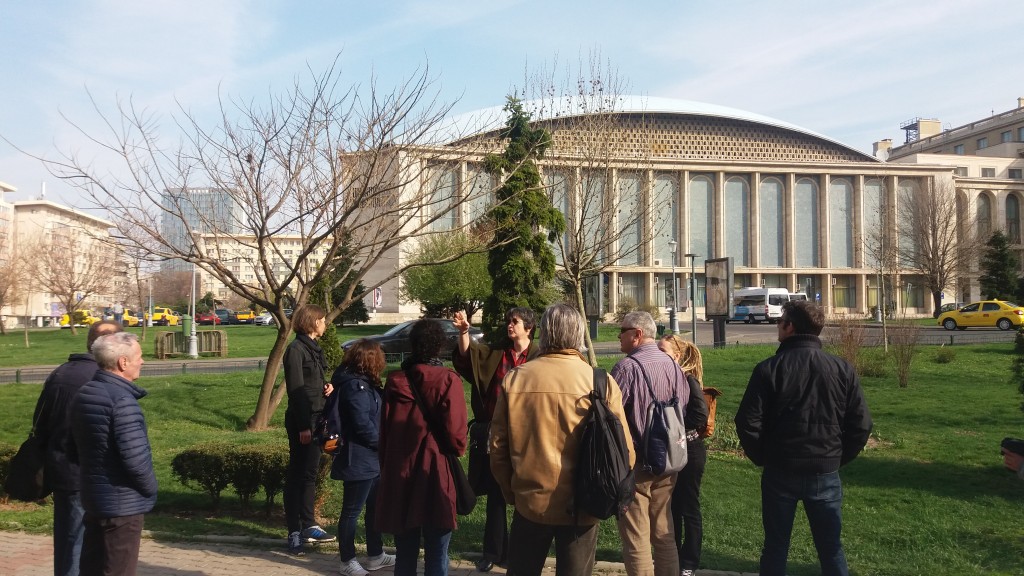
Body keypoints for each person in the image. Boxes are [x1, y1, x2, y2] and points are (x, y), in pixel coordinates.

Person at [490, 303, 635, 576]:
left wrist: (513, 493)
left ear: (545, 333)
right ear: (579, 334)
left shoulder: (517, 379)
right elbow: (625, 451)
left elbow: (497, 448)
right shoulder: (600, 382)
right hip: (584, 503)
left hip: (531, 502)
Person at [735, 300, 872, 576]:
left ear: (790, 327)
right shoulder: (841, 369)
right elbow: (861, 425)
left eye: (780, 320)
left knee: (776, 547)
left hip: (783, 470)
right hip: (822, 470)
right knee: (830, 547)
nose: (777, 324)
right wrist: (835, 457)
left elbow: (747, 423)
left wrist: (763, 457)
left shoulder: (769, 369)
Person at [376, 319, 468, 576]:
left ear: (412, 345)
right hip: (434, 470)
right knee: (438, 550)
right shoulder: (448, 380)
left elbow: (384, 430)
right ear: (438, 346)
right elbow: (457, 435)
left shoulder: (395, 381)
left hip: (400, 470)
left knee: (404, 551)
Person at [32, 320, 123, 576]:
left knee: (68, 542)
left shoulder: (62, 373)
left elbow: (41, 423)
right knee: (81, 546)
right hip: (86, 476)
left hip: (63, 471)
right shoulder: (100, 380)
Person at [451, 307, 537, 572]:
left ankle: (523, 554)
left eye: (515, 322)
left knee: (528, 495)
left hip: (530, 436)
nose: (510, 325)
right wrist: (465, 331)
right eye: (508, 321)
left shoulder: (539, 356)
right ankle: (494, 551)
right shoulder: (499, 354)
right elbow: (468, 359)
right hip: (496, 435)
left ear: (528, 328)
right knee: (497, 495)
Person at [68, 332, 157, 576]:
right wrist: (150, 489)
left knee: (92, 568)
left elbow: (71, 447)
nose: (143, 361)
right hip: (122, 506)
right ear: (123, 362)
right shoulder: (122, 402)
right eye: (139, 356)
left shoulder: (85, 393)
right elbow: (136, 462)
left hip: (95, 498)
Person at [611, 311, 689, 576]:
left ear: (637, 334)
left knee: (636, 536)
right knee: (664, 532)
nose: (619, 335)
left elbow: (612, 417)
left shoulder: (627, 368)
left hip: (637, 464)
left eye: (622, 330)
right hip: (669, 460)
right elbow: (684, 406)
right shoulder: (673, 366)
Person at [330, 339, 396, 576]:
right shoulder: (355, 386)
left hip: (371, 458)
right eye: (378, 357)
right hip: (358, 458)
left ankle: (375, 555)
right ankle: (347, 560)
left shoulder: (367, 384)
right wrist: (384, 444)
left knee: (374, 508)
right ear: (370, 360)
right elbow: (361, 425)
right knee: (351, 511)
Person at [283, 304, 335, 555]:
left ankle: (309, 524)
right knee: (297, 475)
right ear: (314, 322)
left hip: (317, 417)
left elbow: (312, 383)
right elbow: (296, 391)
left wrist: (328, 387)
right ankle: (294, 531)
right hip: (303, 422)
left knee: (309, 474)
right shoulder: (295, 350)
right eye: (323, 320)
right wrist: (303, 426)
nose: (325, 324)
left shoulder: (312, 348)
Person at [658, 334, 709, 576]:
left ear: (676, 356)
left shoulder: (688, 380)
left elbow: (700, 414)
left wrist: (674, 426)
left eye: (663, 351)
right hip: (675, 450)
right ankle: (675, 559)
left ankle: (689, 563)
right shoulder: (669, 378)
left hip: (690, 450)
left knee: (688, 506)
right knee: (672, 507)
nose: (658, 356)